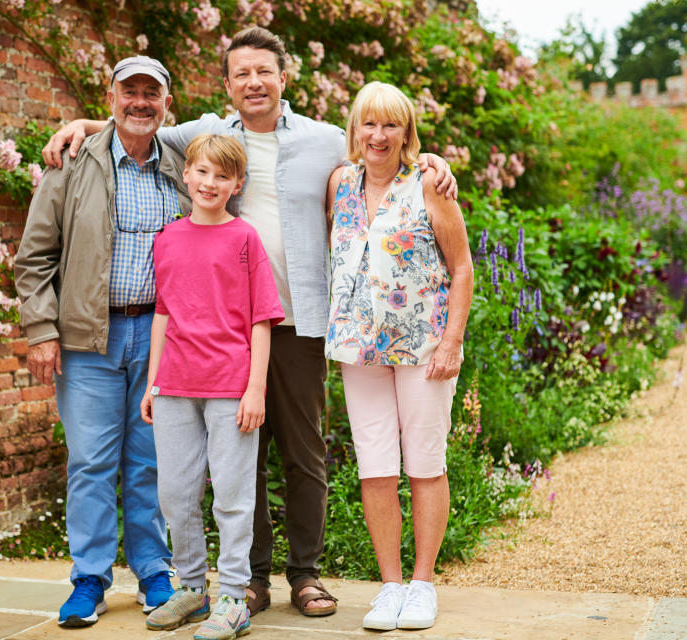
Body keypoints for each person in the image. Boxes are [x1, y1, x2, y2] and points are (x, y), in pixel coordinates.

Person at [42, 27, 458, 617]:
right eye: (242, 74)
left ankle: (306, 575)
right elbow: (139, 125)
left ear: (283, 77)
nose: (254, 82)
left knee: (304, 452)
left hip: (304, 319)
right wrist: (82, 128)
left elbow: (382, 159)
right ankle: (253, 579)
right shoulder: (204, 136)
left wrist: (436, 164)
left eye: (264, 71)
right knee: (244, 455)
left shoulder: (321, 140)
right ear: (229, 84)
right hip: (233, 329)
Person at [14, 56, 191, 628]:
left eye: (152, 93)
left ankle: (153, 571)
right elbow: (34, 257)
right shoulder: (71, 164)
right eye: (129, 91)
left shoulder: (187, 164)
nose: (141, 102)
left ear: (168, 103)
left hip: (163, 338)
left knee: (150, 461)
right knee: (90, 461)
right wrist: (41, 331)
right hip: (89, 338)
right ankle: (89, 578)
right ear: (110, 97)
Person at [324, 81, 473, 631]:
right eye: (369, 123)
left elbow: (462, 268)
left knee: (425, 465)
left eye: (391, 125)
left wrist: (452, 342)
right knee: (376, 468)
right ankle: (389, 586)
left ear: (407, 132)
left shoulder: (429, 184)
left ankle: (423, 585)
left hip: (423, 349)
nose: (378, 135)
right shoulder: (339, 184)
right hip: (358, 350)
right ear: (354, 129)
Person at [140, 134, 284, 640]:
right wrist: (153, 382)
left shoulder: (245, 239)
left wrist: (256, 389)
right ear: (187, 175)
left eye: (223, 176)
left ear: (237, 185)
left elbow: (261, 320)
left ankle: (233, 597)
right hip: (176, 385)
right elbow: (163, 313)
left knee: (232, 495)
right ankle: (192, 588)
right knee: (175, 493)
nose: (210, 183)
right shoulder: (168, 238)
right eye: (203, 172)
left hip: (230, 386)